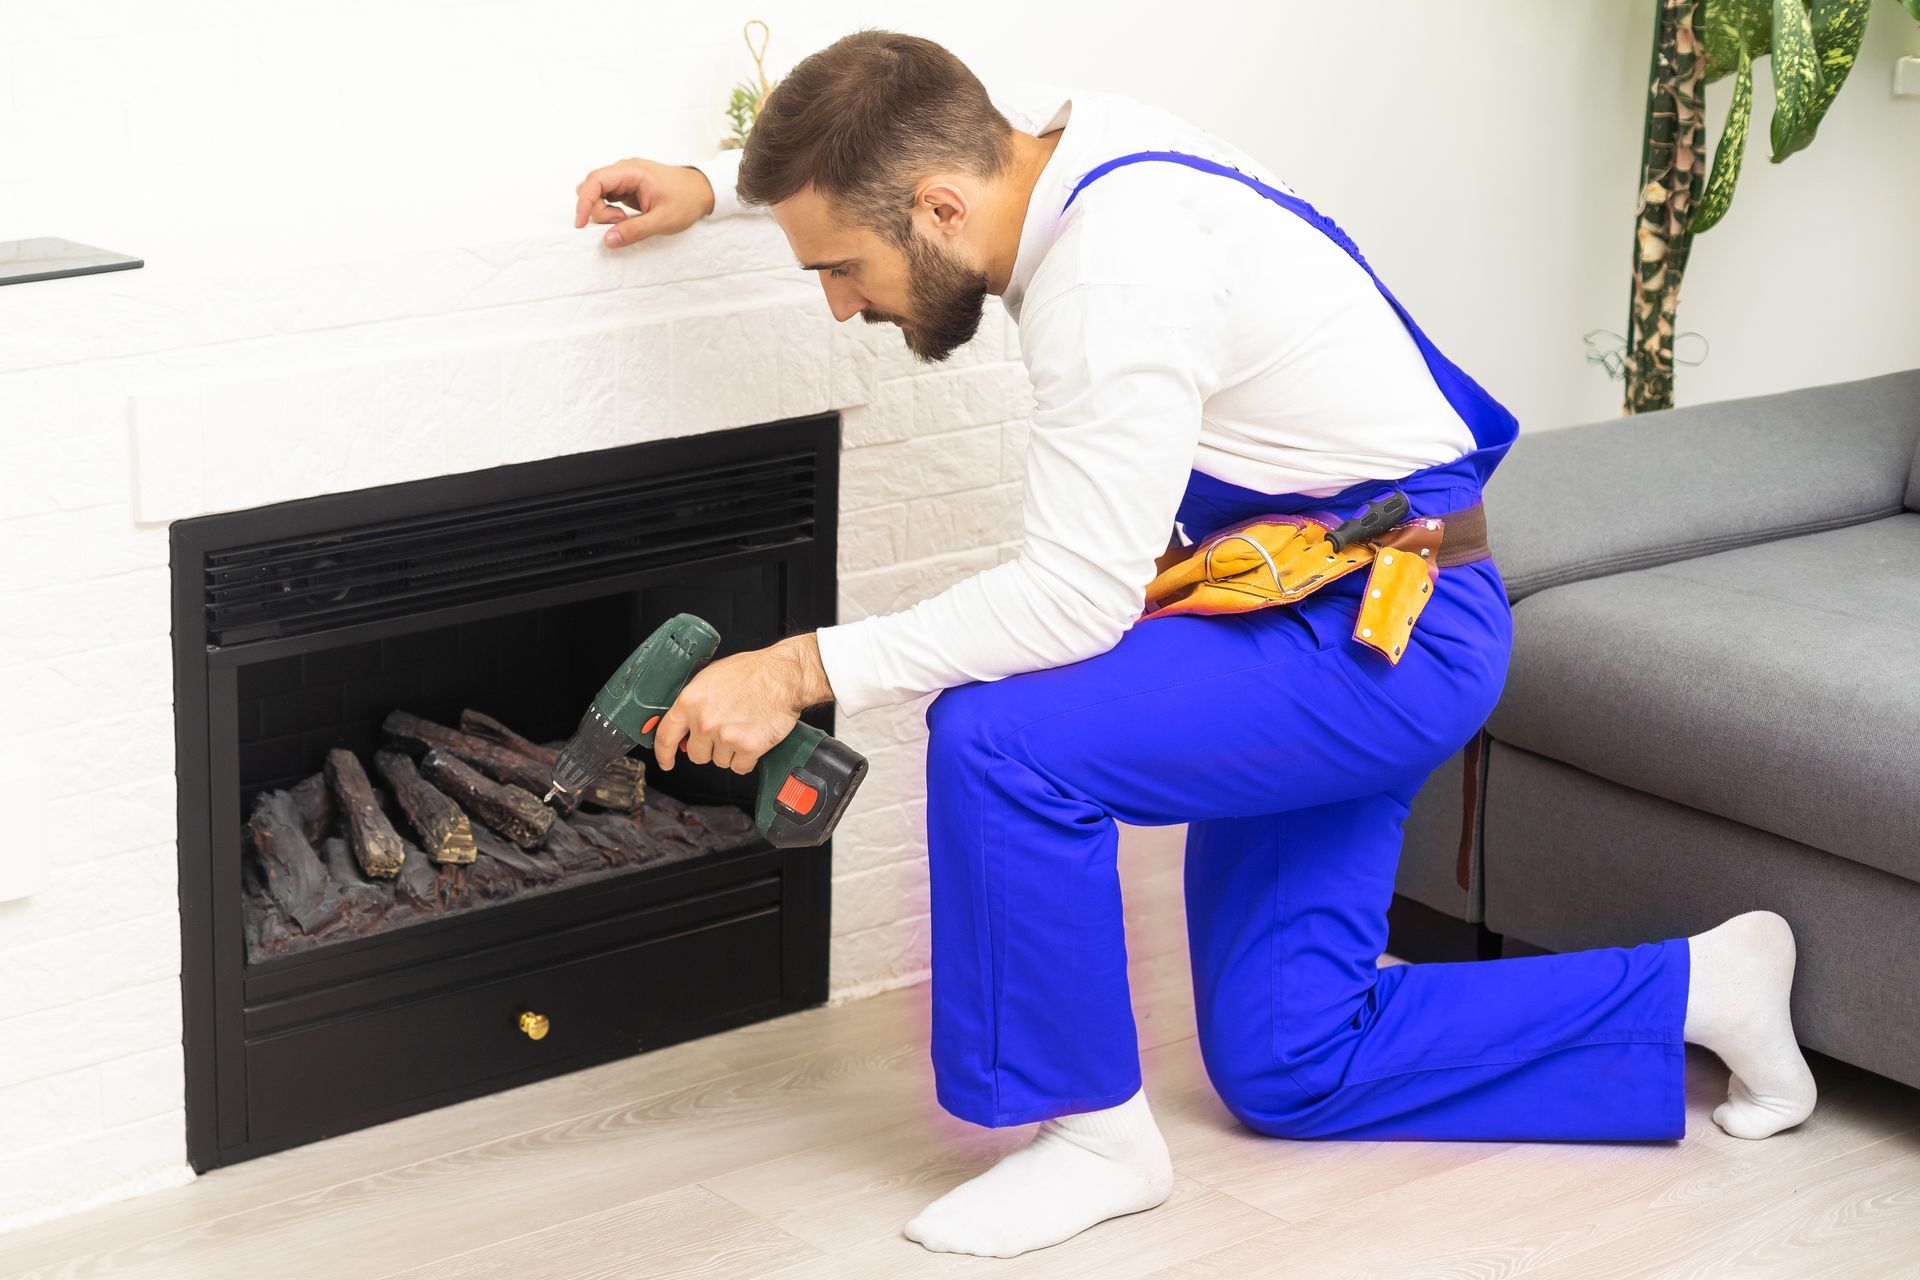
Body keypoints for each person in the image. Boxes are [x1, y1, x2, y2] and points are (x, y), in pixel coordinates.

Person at [572, 29, 1818, 1261]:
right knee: (1292, 1060)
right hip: (1310, 605)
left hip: (1380, 634)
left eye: (837, 269)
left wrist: (794, 666)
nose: (844, 304)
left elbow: (1073, 602)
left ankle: (1095, 1140)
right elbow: (888, 130)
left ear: (941, 209)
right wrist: (722, 193)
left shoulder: (1116, 283)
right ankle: (1704, 988)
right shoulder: (1056, 148)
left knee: (1002, 738)